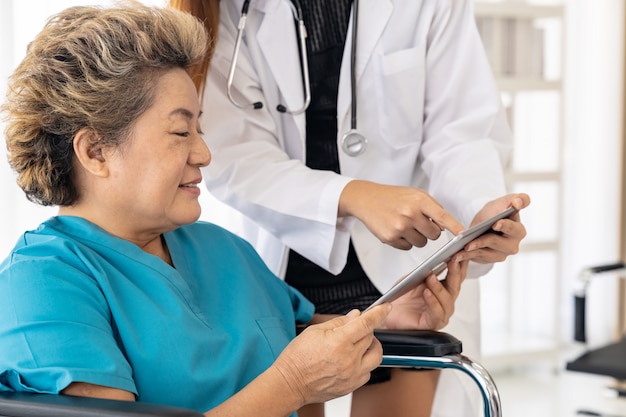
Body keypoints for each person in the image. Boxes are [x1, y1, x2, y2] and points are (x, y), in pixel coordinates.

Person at [0, 3, 467, 417]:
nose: (204, 153)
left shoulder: (223, 251)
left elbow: (301, 333)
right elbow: (295, 371)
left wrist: (388, 316)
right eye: (181, 133)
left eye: (200, 129)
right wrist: (290, 386)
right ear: (96, 151)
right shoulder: (42, 283)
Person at [169, 1, 531, 417]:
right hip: (286, 262)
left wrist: (479, 212)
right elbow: (233, 152)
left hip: (406, 271)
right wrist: (353, 195)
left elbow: (463, 131)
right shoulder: (225, 9)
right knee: (285, 389)